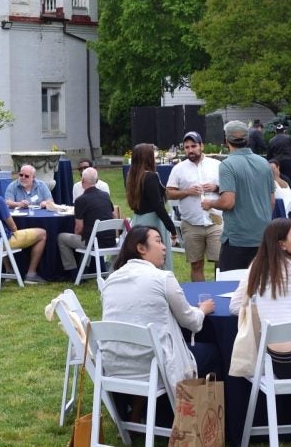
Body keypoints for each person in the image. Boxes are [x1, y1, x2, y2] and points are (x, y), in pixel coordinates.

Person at [98, 225, 216, 392]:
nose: (164, 247)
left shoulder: (111, 280)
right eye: (158, 241)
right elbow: (192, 322)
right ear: (141, 248)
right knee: (212, 353)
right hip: (156, 366)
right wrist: (203, 309)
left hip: (114, 364)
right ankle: (199, 415)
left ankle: (138, 411)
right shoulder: (162, 278)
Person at [232, 218, 291, 379]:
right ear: (282, 244)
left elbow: (235, 306)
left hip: (273, 357)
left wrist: (264, 308)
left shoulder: (256, 266)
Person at [215, 119, 275, 273]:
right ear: (247, 139)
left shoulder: (227, 165)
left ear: (226, 140)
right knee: (263, 287)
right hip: (262, 236)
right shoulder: (263, 163)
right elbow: (272, 202)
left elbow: (228, 202)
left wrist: (210, 204)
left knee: (229, 287)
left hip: (238, 239)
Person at [166, 132, 223, 282]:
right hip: (191, 223)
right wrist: (187, 191)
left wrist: (215, 187)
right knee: (196, 265)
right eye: (187, 147)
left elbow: (230, 190)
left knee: (220, 264)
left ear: (201, 146)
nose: (190, 150)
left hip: (216, 222)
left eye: (194, 146)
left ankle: (220, 294)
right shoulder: (178, 168)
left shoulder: (216, 165)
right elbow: (169, 193)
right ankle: (201, 297)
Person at [125, 143, 178, 270]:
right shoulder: (150, 176)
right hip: (153, 221)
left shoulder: (132, 176)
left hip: (138, 220)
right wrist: (172, 228)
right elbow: (158, 206)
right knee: (157, 257)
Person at [58, 170, 118, 274]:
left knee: (61, 237)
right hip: (111, 241)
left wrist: (77, 239)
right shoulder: (105, 195)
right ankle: (84, 267)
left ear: (82, 181)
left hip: (93, 243)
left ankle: (73, 271)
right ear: (97, 180)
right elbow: (114, 216)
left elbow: (79, 228)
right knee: (89, 234)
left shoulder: (81, 200)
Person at [267, 123, 291, 189]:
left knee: (279, 180)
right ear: (284, 130)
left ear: (275, 131)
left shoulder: (271, 140)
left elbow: (269, 155)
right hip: (288, 162)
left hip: (277, 164)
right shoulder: (289, 138)